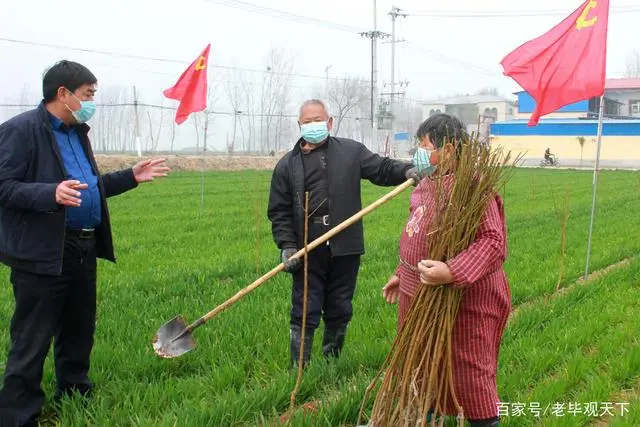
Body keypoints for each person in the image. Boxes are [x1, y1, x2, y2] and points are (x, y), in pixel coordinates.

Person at [0, 60, 170, 427]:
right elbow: (5, 187)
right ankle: (17, 414)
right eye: (88, 94)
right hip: (42, 252)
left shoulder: (78, 133)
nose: (93, 101)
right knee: (32, 337)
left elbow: (89, 189)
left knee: (79, 329)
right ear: (63, 94)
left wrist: (130, 177)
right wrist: (50, 193)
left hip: (83, 247)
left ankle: (75, 393)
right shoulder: (20, 131)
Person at [267, 99, 425, 368]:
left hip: (345, 244)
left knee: (340, 304)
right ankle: (299, 366)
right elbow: (279, 211)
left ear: (329, 122)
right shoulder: (286, 166)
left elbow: (382, 168)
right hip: (308, 246)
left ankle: (331, 360)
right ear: (299, 125)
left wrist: (407, 170)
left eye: (318, 120)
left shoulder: (350, 152)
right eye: (307, 122)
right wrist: (287, 246)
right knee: (306, 304)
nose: (313, 125)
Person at [382, 113, 510, 427]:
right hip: (421, 296)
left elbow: (493, 242)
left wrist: (452, 271)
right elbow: (416, 231)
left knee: (468, 372)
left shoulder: (473, 187)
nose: (419, 154)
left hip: (465, 302)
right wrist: (403, 272)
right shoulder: (427, 183)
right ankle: (421, 419)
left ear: (449, 150)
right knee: (422, 367)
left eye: (424, 146)